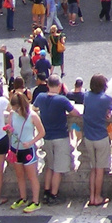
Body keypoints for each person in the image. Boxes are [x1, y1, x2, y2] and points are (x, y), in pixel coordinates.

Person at [34, 75, 79, 204]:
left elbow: (34, 108)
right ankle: (54, 195)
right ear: (59, 86)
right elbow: (75, 113)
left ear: (48, 85)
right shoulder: (62, 100)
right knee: (58, 169)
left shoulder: (40, 97)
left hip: (47, 137)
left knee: (50, 166)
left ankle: (46, 192)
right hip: (60, 136)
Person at [6, 89, 45, 212]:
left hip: (28, 150)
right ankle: (22, 198)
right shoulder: (12, 114)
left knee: (32, 176)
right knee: (19, 175)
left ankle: (36, 201)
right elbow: (9, 127)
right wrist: (9, 129)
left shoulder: (33, 116)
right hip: (15, 149)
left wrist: (31, 142)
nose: (15, 111)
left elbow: (42, 132)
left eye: (16, 109)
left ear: (22, 106)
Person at [81, 74, 112, 207]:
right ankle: (97, 197)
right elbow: (108, 114)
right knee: (100, 169)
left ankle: (91, 197)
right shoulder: (106, 99)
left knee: (93, 169)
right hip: (101, 136)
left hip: (88, 137)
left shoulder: (86, 96)